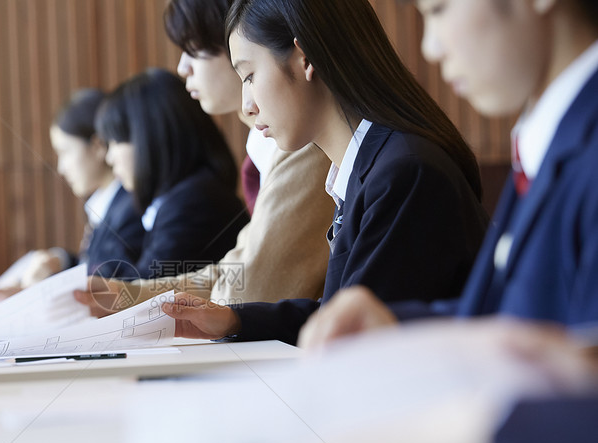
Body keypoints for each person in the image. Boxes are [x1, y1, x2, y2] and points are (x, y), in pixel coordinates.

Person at [160, 0, 489, 345]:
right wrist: (234, 319)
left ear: (304, 58)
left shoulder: (404, 174)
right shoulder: (370, 167)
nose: (247, 104)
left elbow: (355, 342)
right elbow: (337, 314)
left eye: (251, 76)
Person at [299, 0, 598, 346]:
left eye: (439, 10)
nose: (430, 48)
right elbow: (516, 316)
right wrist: (396, 324)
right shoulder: (548, 139)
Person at [73, 0, 333, 314]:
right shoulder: (269, 149)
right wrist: (127, 293)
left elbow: (251, 290)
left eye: (194, 49)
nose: (183, 68)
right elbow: (234, 271)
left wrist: (134, 294)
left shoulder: (304, 147)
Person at [0, 89, 145, 301]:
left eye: (66, 152)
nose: (61, 168)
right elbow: (93, 264)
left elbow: (105, 281)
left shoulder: (128, 209)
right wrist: (59, 260)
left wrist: (27, 295)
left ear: (98, 146)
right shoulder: (109, 204)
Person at [93, 68, 249, 281]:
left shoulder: (193, 202)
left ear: (148, 138)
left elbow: (141, 289)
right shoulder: (182, 196)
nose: (110, 158)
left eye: (115, 142)